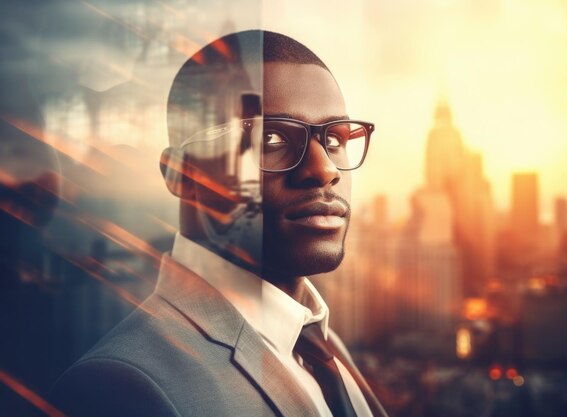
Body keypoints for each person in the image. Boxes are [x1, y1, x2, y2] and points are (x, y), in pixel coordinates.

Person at [50, 30, 387, 417]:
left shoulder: (323, 346)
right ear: (182, 173)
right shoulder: (118, 387)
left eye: (335, 138)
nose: (325, 169)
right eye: (270, 137)